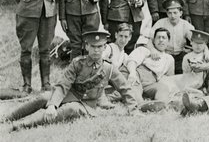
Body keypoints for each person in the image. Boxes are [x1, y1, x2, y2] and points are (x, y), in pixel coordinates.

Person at [4, 31, 137, 131]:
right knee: (44, 97)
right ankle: (7, 118)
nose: (96, 50)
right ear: (87, 46)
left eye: (100, 46)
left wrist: (133, 109)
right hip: (70, 95)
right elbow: (63, 84)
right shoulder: (77, 63)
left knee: (70, 109)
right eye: (93, 46)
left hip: (86, 105)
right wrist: (53, 104)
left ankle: (20, 126)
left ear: (104, 48)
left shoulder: (109, 68)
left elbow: (125, 88)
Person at [146, 0, 194, 74]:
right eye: (170, 13)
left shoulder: (185, 25)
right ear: (167, 13)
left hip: (180, 56)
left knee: (182, 76)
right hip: (163, 55)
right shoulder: (160, 23)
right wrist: (153, 50)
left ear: (181, 13)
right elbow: (148, 39)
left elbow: (196, 40)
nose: (172, 16)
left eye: (175, 13)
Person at [128, 28, 175, 104]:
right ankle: (141, 104)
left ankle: (159, 104)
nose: (161, 40)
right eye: (158, 37)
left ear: (168, 41)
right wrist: (132, 73)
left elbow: (169, 78)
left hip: (152, 82)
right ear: (154, 41)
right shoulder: (144, 50)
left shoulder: (169, 59)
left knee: (163, 88)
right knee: (134, 87)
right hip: (138, 76)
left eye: (164, 38)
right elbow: (131, 61)